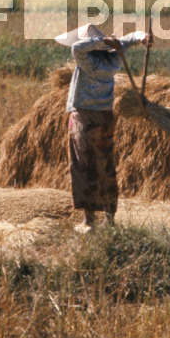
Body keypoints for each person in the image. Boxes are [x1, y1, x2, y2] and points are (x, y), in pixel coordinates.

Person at [55, 23, 151, 232]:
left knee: (83, 165)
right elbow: (127, 40)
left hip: (85, 117)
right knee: (105, 166)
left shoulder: (87, 59)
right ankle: (110, 217)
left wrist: (103, 41)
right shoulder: (114, 59)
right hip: (105, 117)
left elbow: (76, 48)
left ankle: (88, 221)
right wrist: (142, 36)